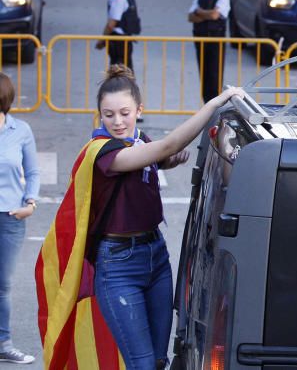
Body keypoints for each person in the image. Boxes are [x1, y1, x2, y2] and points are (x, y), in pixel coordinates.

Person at [36, 66, 244, 369]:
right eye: (108, 115)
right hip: (118, 265)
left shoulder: (138, 139)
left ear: (139, 110)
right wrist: (214, 104)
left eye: (124, 112)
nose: (117, 121)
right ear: (99, 115)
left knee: (158, 360)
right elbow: (169, 145)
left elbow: (155, 159)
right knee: (142, 364)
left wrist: (164, 163)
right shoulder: (102, 151)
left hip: (155, 255)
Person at [0, 73, 39, 364]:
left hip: (11, 217)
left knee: (2, 284)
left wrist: (30, 203)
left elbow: (33, 171)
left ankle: (3, 342)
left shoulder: (20, 130)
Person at [188, 0, 230, 102]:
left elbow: (215, 15)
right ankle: (207, 104)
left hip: (216, 41)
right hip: (200, 39)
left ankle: (216, 106)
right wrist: (207, 15)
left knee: (215, 75)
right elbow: (191, 17)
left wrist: (200, 12)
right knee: (204, 75)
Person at [98, 0, 142, 68]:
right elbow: (111, 24)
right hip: (118, 43)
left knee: (125, 75)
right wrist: (102, 40)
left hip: (124, 41)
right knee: (120, 76)